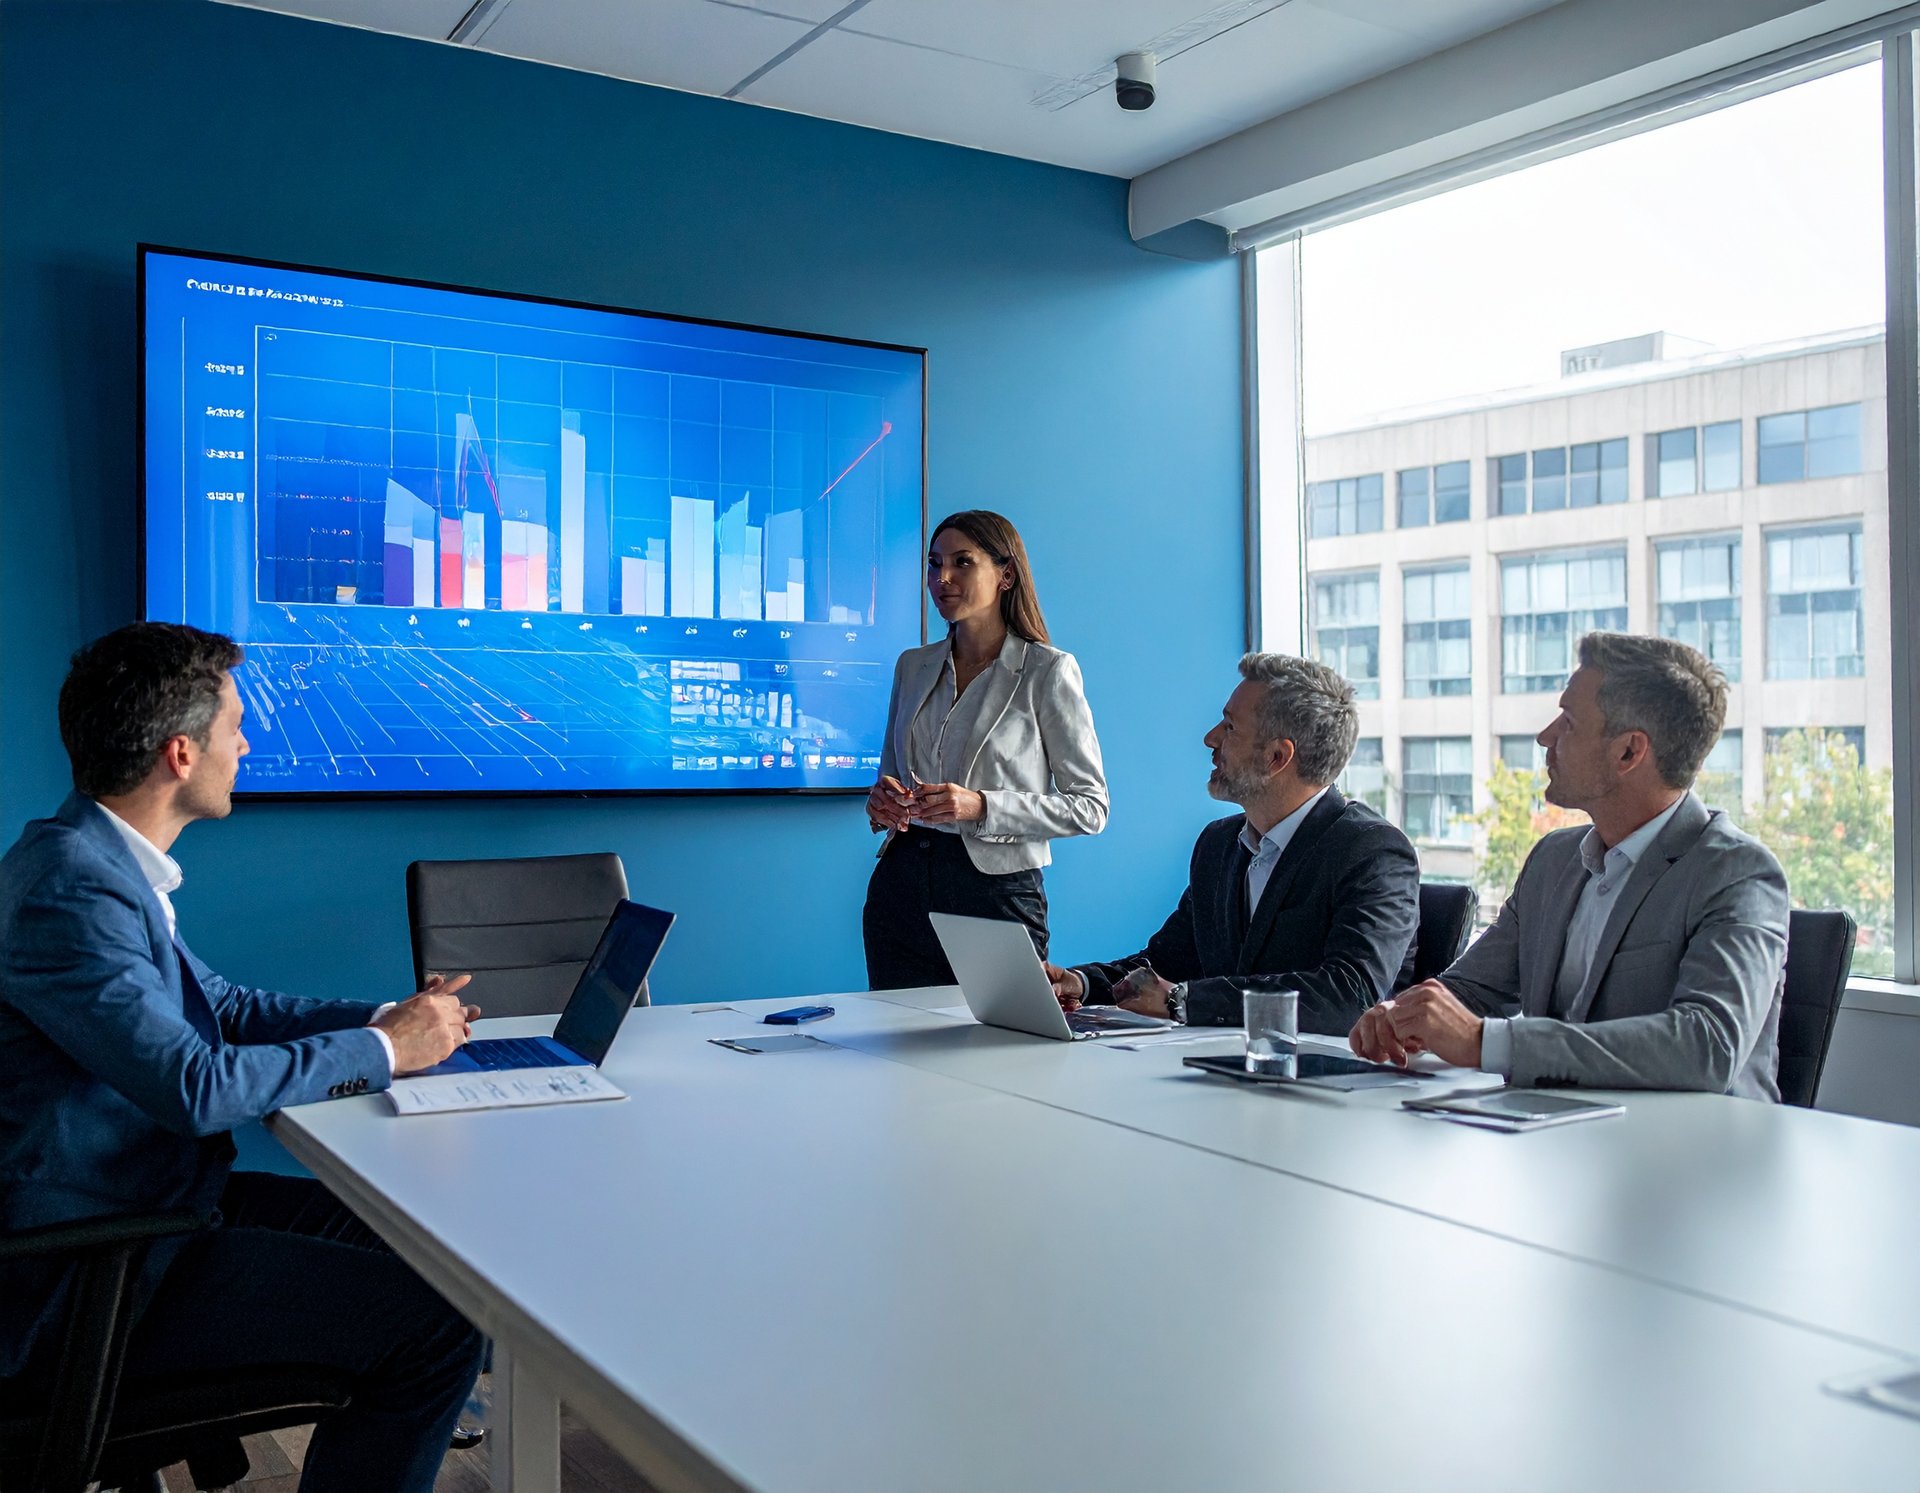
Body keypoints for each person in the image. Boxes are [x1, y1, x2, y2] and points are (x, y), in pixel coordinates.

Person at [0, 622, 486, 1493]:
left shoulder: (94, 860)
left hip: (154, 1203)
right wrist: (383, 1050)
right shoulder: (72, 889)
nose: (247, 743)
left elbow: (223, 1009)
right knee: (438, 1326)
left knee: (426, 1243)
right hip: (88, 1272)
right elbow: (196, 1084)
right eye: (235, 727)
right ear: (181, 754)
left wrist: (395, 1017)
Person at [1350, 632, 1789, 1099]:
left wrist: (1486, 1042)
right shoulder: (1553, 859)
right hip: (1557, 1138)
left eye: (1569, 722)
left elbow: (1708, 1046)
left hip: (1693, 1153)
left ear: (1629, 752)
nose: (1546, 737)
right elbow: (1472, 990)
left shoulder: (1738, 872)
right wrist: (1404, 1016)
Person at [1045, 653, 1417, 1032]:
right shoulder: (1218, 844)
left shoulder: (1373, 852)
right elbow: (1166, 964)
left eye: (1230, 727)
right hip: (1219, 1067)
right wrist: (1083, 983)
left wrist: (1184, 1002)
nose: (1210, 739)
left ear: (1277, 757)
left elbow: (1347, 997)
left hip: (1324, 1079)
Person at [862, 510, 1108, 989]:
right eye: (934, 564)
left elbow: (1091, 808)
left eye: (962, 562)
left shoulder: (1047, 671)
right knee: (897, 1049)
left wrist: (981, 806)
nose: (942, 578)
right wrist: (880, 805)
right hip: (902, 884)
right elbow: (889, 781)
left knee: (1002, 1053)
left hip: (995, 893)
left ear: (1006, 575)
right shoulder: (912, 667)